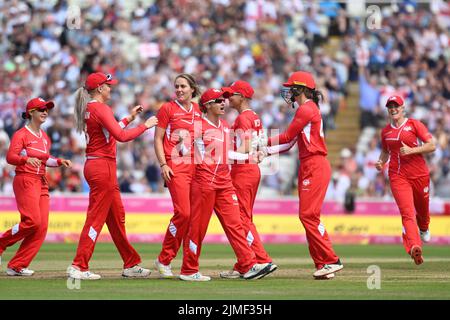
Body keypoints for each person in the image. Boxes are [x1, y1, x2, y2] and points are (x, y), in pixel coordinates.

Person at [67, 72, 158, 280]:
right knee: (96, 218)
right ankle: (79, 265)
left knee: (117, 219)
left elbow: (111, 131)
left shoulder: (90, 108)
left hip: (96, 164)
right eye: (108, 85)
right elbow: (121, 136)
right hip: (103, 166)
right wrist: (145, 125)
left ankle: (131, 264)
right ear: (99, 88)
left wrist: (130, 118)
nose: (111, 88)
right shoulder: (100, 108)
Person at [179, 88, 274, 281]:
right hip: (204, 184)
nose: (223, 103)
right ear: (207, 106)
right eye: (218, 101)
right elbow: (182, 150)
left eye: (223, 100)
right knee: (198, 228)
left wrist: (249, 157)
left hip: (224, 183)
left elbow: (228, 155)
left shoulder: (224, 125)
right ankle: (189, 270)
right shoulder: (199, 126)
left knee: (236, 224)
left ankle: (248, 265)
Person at [263, 71, 343, 279]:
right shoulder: (307, 109)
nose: (288, 91)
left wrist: (262, 141)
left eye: (291, 88)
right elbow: (290, 144)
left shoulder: (306, 109)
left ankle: (332, 260)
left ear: (301, 89)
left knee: (308, 215)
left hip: (314, 165)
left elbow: (287, 136)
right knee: (309, 216)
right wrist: (264, 151)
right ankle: (323, 264)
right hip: (310, 164)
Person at [0, 97, 72, 276]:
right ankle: (2, 242)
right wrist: (25, 159)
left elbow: (46, 160)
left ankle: (17, 265)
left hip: (41, 181)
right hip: (25, 179)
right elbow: (10, 157)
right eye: (41, 109)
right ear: (31, 112)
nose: (45, 112)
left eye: (47, 109)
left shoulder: (45, 138)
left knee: (41, 227)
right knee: (32, 221)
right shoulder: (21, 134)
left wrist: (59, 161)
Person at [219, 80, 277, 279]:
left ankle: (261, 259)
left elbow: (245, 147)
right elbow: (259, 147)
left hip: (243, 170)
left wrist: (223, 153)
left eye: (231, 95)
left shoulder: (243, 118)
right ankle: (243, 264)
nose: (227, 98)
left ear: (241, 97)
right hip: (252, 169)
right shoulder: (255, 117)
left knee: (241, 218)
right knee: (244, 217)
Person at [375, 95, 435, 265]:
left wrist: (411, 151)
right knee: (407, 213)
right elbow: (386, 152)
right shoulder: (385, 131)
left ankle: (424, 227)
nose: (393, 109)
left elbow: (432, 145)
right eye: (390, 106)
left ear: (402, 108)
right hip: (397, 176)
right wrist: (381, 162)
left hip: (419, 175)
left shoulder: (414, 124)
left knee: (422, 212)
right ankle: (415, 247)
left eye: (396, 106)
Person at [153, 74, 202, 278]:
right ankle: (164, 258)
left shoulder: (199, 110)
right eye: (177, 86)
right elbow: (157, 139)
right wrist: (163, 164)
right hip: (175, 166)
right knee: (183, 213)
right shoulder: (167, 109)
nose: (179, 89)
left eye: (183, 86)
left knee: (193, 219)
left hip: (196, 167)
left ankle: (188, 267)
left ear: (192, 89)